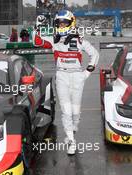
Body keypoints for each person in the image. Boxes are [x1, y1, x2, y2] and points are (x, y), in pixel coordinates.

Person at [33, 10, 99, 155]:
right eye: (59, 23)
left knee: (75, 112)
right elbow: (36, 41)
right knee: (66, 111)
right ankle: (71, 141)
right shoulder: (53, 39)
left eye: (64, 22)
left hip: (77, 76)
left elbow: (95, 54)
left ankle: (72, 131)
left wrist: (86, 73)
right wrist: (37, 26)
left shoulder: (80, 40)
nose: (62, 25)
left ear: (71, 23)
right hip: (62, 75)